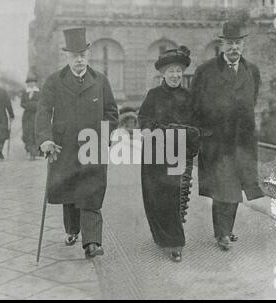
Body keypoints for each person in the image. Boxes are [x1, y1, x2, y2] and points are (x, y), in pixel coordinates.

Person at [36, 27, 118, 258]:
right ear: (67, 57)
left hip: (93, 148)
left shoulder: (100, 81)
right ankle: (72, 229)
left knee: (91, 192)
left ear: (87, 55)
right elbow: (42, 111)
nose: (79, 60)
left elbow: (112, 112)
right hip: (65, 147)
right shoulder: (55, 81)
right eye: (74, 56)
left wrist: (103, 136)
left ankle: (92, 242)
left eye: (82, 55)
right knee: (70, 192)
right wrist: (45, 139)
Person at [190, 21, 264, 251]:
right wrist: (203, 135)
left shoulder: (252, 71)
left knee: (235, 187)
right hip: (216, 142)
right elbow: (194, 105)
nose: (234, 47)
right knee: (223, 188)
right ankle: (222, 233)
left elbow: (252, 100)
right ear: (222, 44)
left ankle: (226, 230)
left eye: (238, 43)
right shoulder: (206, 71)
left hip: (242, 142)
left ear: (243, 45)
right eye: (230, 43)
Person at [138, 46, 200, 262]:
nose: (175, 75)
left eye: (178, 71)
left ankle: (175, 243)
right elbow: (144, 117)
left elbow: (197, 125)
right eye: (170, 71)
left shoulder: (189, 96)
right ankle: (161, 236)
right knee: (155, 198)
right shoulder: (153, 95)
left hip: (179, 154)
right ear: (162, 73)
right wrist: (146, 130)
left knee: (175, 198)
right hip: (155, 154)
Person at [21, 74, 40, 160]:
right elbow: (22, 103)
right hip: (27, 116)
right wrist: (29, 106)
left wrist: (33, 106)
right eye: (29, 82)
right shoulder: (25, 92)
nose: (31, 84)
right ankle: (29, 148)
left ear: (35, 83)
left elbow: (42, 103)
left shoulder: (39, 92)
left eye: (32, 82)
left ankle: (33, 153)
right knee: (27, 133)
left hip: (36, 115)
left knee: (34, 133)